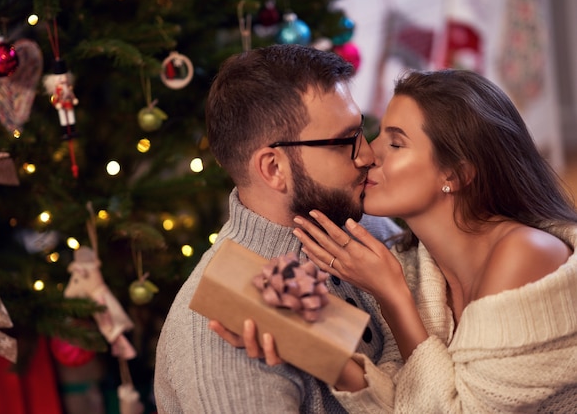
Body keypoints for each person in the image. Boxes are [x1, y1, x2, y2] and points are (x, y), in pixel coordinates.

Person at [234, 69, 577, 412]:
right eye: (379, 135)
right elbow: (406, 402)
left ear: (455, 174)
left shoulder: (526, 253)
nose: (368, 155)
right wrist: (299, 340)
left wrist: (393, 298)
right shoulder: (416, 268)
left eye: (396, 143)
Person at [153, 44, 404, 413]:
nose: (366, 155)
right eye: (344, 142)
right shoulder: (224, 330)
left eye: (361, 130)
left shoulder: (360, 221)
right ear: (273, 169)